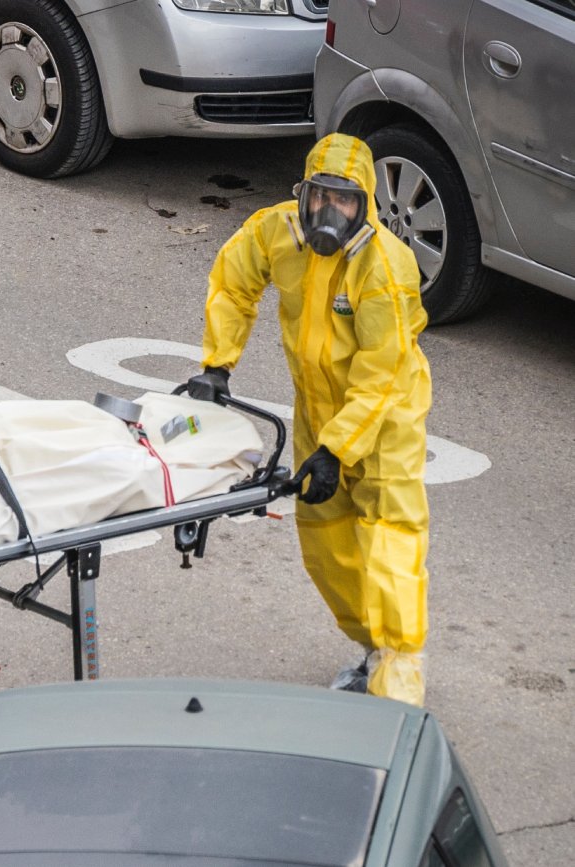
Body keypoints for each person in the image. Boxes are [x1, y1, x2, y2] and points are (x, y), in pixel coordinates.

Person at [186, 133, 431, 707]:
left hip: (386, 415)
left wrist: (338, 449)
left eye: (345, 202)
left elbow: (382, 371)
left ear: (364, 206)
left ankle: (398, 684)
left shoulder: (384, 268)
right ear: (303, 194)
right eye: (321, 197)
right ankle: (371, 649)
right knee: (326, 540)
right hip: (317, 408)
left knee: (390, 538)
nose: (330, 213)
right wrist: (217, 365)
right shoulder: (277, 232)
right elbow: (233, 283)